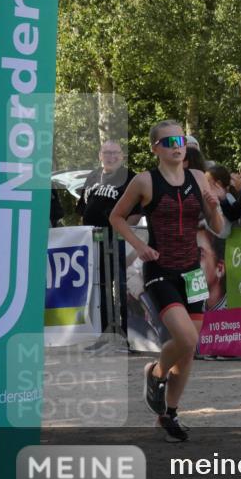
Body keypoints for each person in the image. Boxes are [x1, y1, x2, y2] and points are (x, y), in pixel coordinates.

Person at [110, 120, 224, 442]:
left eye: (182, 140)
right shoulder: (145, 181)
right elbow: (116, 217)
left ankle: (169, 414)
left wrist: (214, 209)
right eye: (170, 140)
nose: (178, 145)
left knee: (189, 351)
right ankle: (156, 373)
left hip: (192, 271)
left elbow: (218, 225)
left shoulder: (198, 178)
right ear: (155, 148)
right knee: (186, 338)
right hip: (161, 270)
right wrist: (141, 246)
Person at [77, 140, 139, 336]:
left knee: (121, 286)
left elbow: (136, 212)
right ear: (99, 155)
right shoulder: (93, 176)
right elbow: (82, 209)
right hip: (94, 243)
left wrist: (123, 235)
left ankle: (125, 333)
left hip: (117, 241)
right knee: (100, 287)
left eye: (115, 153)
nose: (111, 157)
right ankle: (105, 333)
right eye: (107, 153)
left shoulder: (130, 178)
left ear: (122, 156)